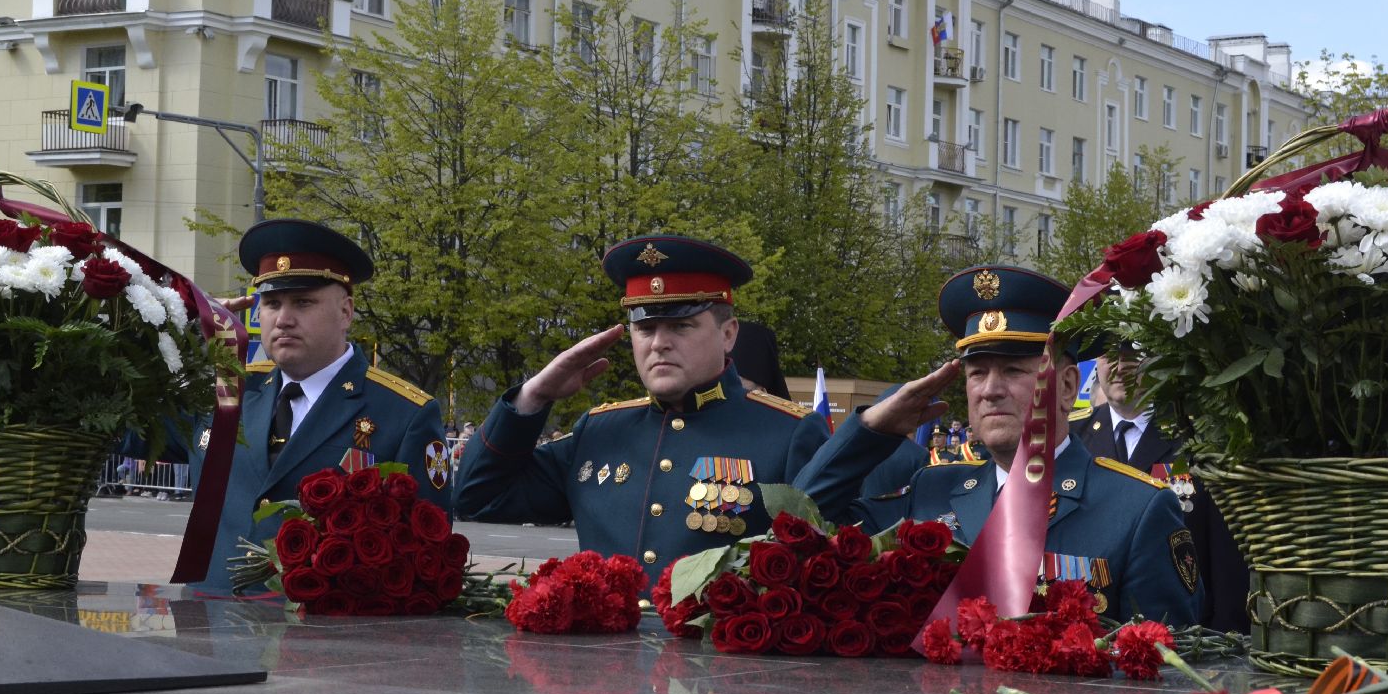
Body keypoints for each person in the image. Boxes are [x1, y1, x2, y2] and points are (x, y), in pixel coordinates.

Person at [798, 265, 1201, 626]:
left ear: (1066, 387)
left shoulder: (1137, 509)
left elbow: (1165, 660)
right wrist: (871, 430)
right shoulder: (930, 490)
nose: (990, 390)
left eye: (1012, 370)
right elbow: (802, 525)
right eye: (977, 373)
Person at [453, 234, 830, 583]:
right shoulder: (599, 431)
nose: (658, 343)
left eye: (681, 326)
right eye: (645, 328)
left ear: (728, 334)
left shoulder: (788, 434)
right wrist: (533, 396)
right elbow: (478, 498)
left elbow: (824, 569)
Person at [186, 219, 450, 592]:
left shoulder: (404, 415)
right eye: (272, 303)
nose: (283, 319)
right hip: (208, 620)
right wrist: (181, 330)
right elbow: (124, 424)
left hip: (322, 626)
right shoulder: (227, 391)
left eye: (303, 302)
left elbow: (427, 557)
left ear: (346, 312)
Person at [1073, 342, 1248, 631]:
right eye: (1109, 355)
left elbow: (1226, 555)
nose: (1120, 366)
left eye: (1132, 354)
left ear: (1158, 356)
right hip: (1094, 627)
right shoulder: (1074, 438)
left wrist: (1227, 637)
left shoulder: (1200, 436)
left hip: (1181, 629)